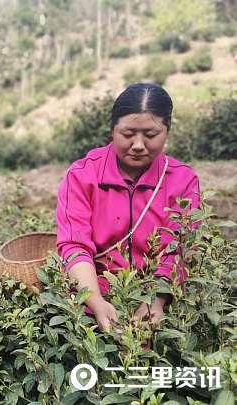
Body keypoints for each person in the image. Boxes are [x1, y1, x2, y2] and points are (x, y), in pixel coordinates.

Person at [56, 83, 200, 332]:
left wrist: (155, 302)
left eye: (151, 135)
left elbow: (181, 249)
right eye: (128, 133)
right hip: (91, 298)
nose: (138, 144)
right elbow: (75, 246)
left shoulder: (182, 180)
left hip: (159, 300)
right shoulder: (82, 175)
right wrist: (97, 302)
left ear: (167, 131)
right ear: (113, 130)